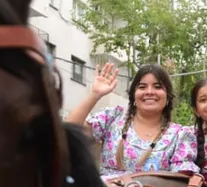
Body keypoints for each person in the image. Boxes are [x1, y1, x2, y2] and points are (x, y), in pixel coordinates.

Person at [67, 62, 199, 178]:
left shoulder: (180, 135)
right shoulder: (113, 117)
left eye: (157, 87)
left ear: (168, 97)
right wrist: (95, 95)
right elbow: (68, 133)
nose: (149, 92)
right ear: (133, 96)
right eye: (142, 87)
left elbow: (179, 182)